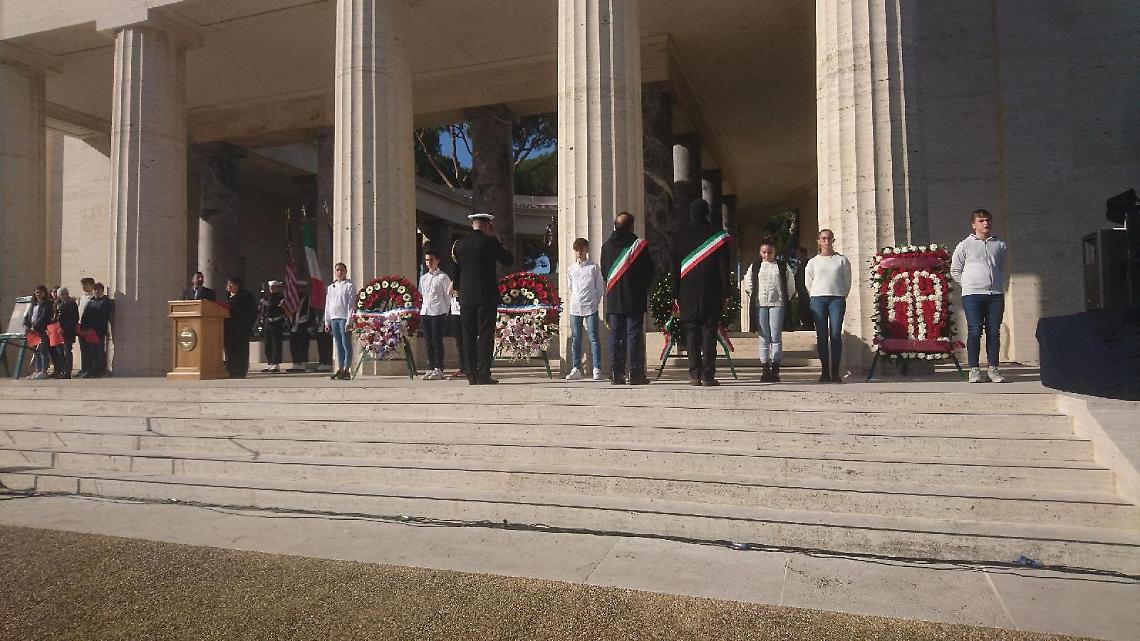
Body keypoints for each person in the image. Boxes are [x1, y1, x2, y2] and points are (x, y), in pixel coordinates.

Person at [673, 199, 731, 386]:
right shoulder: (718, 236)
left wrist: (675, 294)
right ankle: (708, 375)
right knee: (709, 333)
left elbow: (675, 268)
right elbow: (724, 267)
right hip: (711, 291)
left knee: (691, 334)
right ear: (707, 213)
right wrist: (726, 292)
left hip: (686, 292)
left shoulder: (680, 236)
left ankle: (694, 374)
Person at [454, 212, 514, 385]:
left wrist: (458, 291)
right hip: (485, 296)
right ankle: (483, 373)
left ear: (472, 224)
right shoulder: (490, 242)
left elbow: (456, 271)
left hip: (466, 296)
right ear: (488, 225)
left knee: (468, 335)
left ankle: (470, 373)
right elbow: (508, 260)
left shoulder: (459, 244)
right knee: (485, 335)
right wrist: (498, 240)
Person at [951, 208, 1009, 383]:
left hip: (995, 294)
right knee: (975, 330)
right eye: (981, 221)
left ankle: (993, 369)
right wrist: (969, 284)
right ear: (973, 224)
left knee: (993, 331)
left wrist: (996, 284)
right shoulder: (964, 245)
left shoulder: (999, 245)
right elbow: (955, 270)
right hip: (973, 295)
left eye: (988, 220)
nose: (986, 223)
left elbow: (1000, 267)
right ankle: (974, 369)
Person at [601, 213, 655, 385]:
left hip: (614, 298)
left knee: (615, 336)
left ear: (615, 226)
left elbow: (605, 273)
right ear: (631, 226)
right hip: (634, 297)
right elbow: (649, 272)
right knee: (634, 335)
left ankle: (616, 373)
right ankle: (636, 373)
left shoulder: (606, 246)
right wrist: (640, 286)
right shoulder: (639, 246)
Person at [742, 239, 795, 382]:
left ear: (775, 252)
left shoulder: (782, 266)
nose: (767, 255)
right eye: (764, 252)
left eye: (769, 252)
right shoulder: (755, 266)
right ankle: (765, 368)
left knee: (775, 337)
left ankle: (775, 368)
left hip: (777, 304)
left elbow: (790, 285)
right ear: (760, 253)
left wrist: (784, 298)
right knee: (764, 337)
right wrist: (754, 296)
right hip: (760, 304)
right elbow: (748, 283)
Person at [805, 229, 852, 383]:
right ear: (819, 241)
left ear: (833, 240)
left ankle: (835, 371)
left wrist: (841, 294)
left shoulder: (841, 260)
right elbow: (808, 282)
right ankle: (825, 370)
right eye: (823, 238)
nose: (827, 241)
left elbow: (847, 280)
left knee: (836, 334)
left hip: (836, 299)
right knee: (822, 335)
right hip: (818, 299)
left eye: (829, 238)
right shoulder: (813, 262)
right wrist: (815, 294)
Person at [565, 237, 605, 381]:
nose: (579, 252)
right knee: (576, 338)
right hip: (575, 306)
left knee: (593, 337)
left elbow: (599, 288)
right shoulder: (571, 268)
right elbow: (570, 287)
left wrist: (594, 301)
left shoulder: (593, 267)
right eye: (576, 250)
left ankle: (597, 368)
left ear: (586, 250)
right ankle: (576, 368)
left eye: (581, 249)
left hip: (590, 306)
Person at [418, 250, 453, 381]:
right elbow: (422, 294)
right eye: (427, 260)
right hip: (426, 311)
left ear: (437, 260)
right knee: (428, 341)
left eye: (431, 260)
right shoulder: (424, 278)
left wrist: (446, 311)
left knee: (437, 340)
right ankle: (431, 366)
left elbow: (448, 295)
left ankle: (439, 367)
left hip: (438, 311)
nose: (429, 262)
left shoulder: (443, 277)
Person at [324, 262, 356, 381]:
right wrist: (327, 321)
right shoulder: (331, 287)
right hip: (334, 318)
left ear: (345, 271)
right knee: (338, 344)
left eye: (342, 270)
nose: (339, 272)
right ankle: (340, 368)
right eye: (337, 270)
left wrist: (349, 321)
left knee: (346, 343)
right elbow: (328, 304)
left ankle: (347, 369)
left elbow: (351, 305)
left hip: (344, 318)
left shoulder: (349, 286)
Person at [222, 277, 257, 379]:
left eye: (231, 284)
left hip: (241, 328)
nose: (228, 287)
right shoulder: (227, 296)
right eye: (227, 284)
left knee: (241, 350)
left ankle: (240, 371)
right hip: (228, 328)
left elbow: (252, 311)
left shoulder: (246, 296)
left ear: (237, 285)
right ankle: (230, 370)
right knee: (230, 350)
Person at [79, 282, 112, 378]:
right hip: (89, 331)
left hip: (98, 331)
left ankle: (99, 370)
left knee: (99, 351)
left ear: (102, 291)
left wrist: (94, 328)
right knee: (90, 351)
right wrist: (83, 328)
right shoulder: (91, 301)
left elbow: (102, 316)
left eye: (99, 289)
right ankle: (91, 369)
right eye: (95, 289)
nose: (97, 291)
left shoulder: (105, 302)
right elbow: (85, 315)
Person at [22, 285, 53, 380]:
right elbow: (27, 316)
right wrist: (26, 325)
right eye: (37, 292)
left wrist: (35, 327)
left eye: (41, 292)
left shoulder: (48, 304)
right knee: (36, 351)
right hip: (32, 332)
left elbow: (44, 317)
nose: (38, 294)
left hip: (41, 330)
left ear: (45, 293)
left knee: (43, 350)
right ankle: (37, 370)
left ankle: (44, 371)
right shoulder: (33, 304)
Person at [53, 287, 79, 379]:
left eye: (65, 294)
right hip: (58, 331)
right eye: (62, 294)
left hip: (68, 331)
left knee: (67, 351)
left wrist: (64, 328)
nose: (64, 296)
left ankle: (67, 372)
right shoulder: (57, 304)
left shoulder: (72, 304)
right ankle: (62, 371)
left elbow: (74, 318)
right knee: (60, 352)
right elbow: (55, 317)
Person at [260, 280, 286, 373]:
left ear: (277, 288)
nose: (271, 288)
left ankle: (276, 363)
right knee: (268, 343)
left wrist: (265, 303)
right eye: (270, 287)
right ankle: (270, 362)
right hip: (268, 322)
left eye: (273, 287)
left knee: (276, 343)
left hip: (276, 322)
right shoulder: (267, 297)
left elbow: (275, 306)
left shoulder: (280, 297)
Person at [286, 282, 312, 373]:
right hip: (294, 324)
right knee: (294, 344)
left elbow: (310, 312)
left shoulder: (307, 298)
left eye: (301, 288)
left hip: (303, 323)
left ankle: (303, 363)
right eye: (298, 288)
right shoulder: (294, 299)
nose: (299, 290)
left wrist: (310, 325)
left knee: (303, 344)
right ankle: (295, 362)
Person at [76, 277, 95, 377]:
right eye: (82, 284)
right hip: (80, 325)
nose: (83, 286)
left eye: (86, 284)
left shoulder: (93, 297)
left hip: (89, 327)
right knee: (83, 348)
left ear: (92, 285)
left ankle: (90, 369)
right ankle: (84, 368)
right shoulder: (82, 297)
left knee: (90, 349)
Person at [793, 246, 813, 330]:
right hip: (801, 291)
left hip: (806, 290)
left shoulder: (808, 263)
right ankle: (806, 324)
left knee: (806, 308)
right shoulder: (799, 264)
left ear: (803, 253)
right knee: (803, 308)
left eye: (798, 253)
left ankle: (809, 325)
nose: (796, 255)